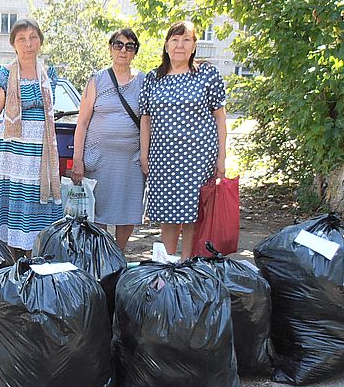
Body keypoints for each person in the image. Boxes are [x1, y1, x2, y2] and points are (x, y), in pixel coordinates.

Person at [139, 20, 228, 260]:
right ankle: (168, 263)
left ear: (194, 45)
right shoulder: (152, 78)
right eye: (175, 40)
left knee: (193, 214)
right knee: (168, 213)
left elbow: (220, 117)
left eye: (186, 39)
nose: (180, 45)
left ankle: (188, 263)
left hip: (199, 158)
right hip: (162, 158)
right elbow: (145, 119)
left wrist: (221, 157)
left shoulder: (206, 74)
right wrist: (144, 155)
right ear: (166, 45)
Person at [0, 19, 62, 257]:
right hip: (10, 158)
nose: (28, 44)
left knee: (37, 207)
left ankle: (34, 266)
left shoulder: (50, 75)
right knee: (11, 211)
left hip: (40, 156)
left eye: (33, 37)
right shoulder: (4, 76)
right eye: (22, 39)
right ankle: (11, 269)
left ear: (40, 41)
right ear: (13, 44)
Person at [71, 28, 145, 251]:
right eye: (118, 45)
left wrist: (146, 156)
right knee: (98, 211)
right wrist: (77, 159)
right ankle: (101, 256)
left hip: (130, 161)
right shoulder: (97, 80)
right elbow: (82, 122)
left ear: (134, 52)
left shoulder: (144, 81)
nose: (123, 50)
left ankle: (119, 254)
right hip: (99, 159)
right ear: (111, 48)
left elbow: (148, 121)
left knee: (128, 211)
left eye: (129, 46)